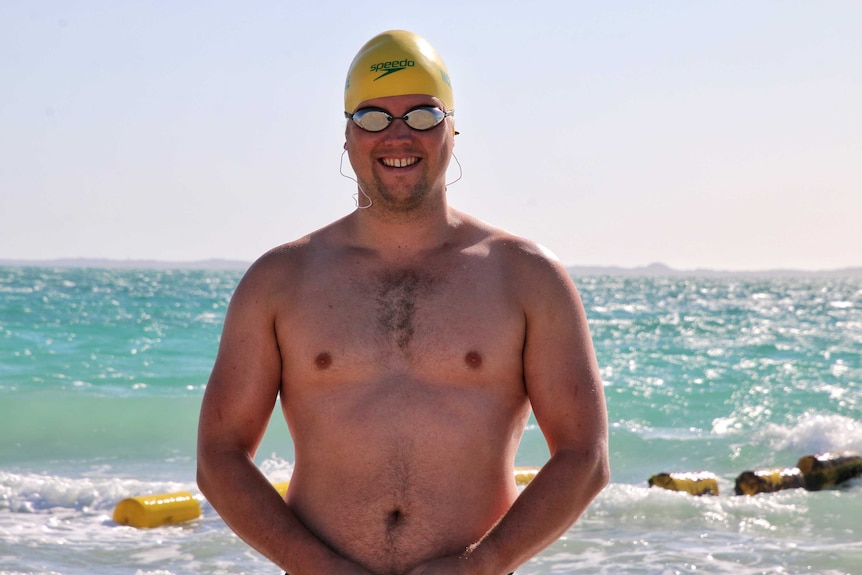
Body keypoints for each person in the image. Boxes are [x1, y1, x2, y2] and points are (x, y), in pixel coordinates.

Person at [197, 29, 609, 575]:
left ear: (453, 131)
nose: (397, 135)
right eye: (372, 117)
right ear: (346, 135)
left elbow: (585, 455)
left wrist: (481, 565)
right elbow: (219, 456)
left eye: (422, 115)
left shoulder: (527, 277)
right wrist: (316, 567)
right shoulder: (279, 280)